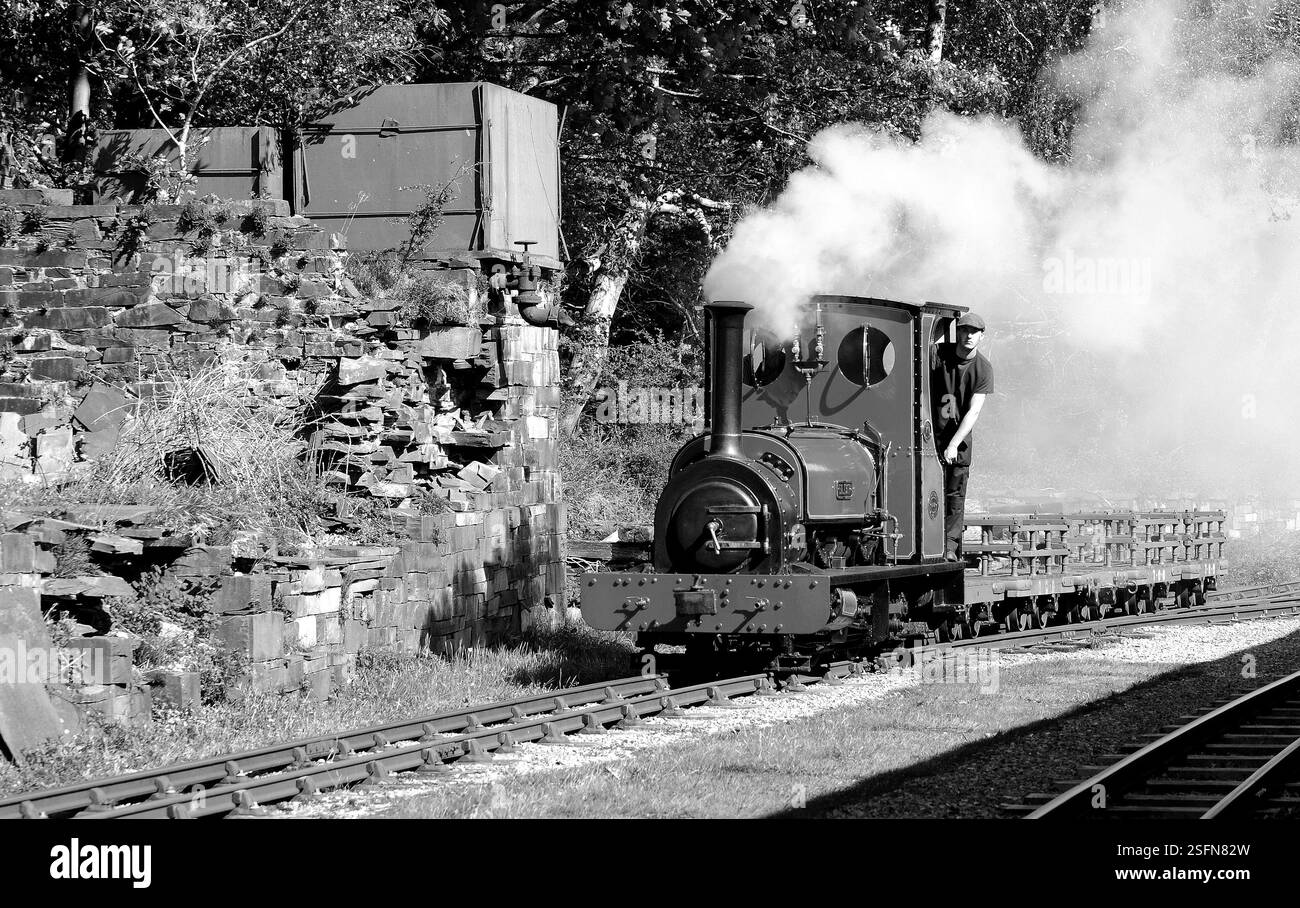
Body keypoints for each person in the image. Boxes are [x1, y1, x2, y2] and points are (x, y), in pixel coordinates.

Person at [931, 312, 993, 561]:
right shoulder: (938, 354)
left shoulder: (983, 368)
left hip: (959, 440)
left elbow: (974, 410)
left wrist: (954, 444)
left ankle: (949, 547)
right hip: (930, 433)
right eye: (964, 330)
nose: (968, 336)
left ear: (981, 336)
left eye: (974, 332)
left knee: (954, 495)